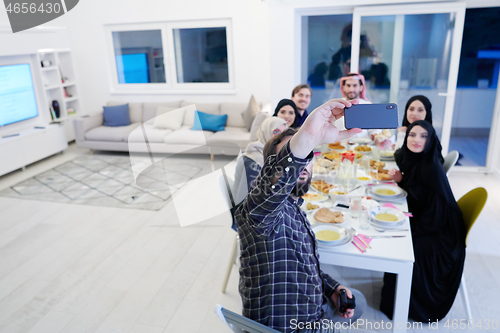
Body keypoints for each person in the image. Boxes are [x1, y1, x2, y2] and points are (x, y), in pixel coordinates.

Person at [235, 99, 367, 333]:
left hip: (313, 314)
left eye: (308, 156)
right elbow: (271, 187)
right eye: (298, 157)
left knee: (357, 300)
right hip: (289, 328)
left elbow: (305, 265)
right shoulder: (258, 213)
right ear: (272, 171)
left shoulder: (294, 206)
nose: (303, 164)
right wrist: (307, 135)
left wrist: (332, 288)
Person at [380, 120, 466, 322]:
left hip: (441, 236)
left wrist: (406, 228)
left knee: (400, 241)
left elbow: (434, 217)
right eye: (412, 135)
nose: (416, 140)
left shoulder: (432, 169)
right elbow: (417, 191)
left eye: (423, 136)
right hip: (429, 221)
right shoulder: (417, 160)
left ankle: (403, 306)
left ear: (430, 141)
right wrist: (402, 180)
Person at [233, 117, 288, 205]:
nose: (281, 138)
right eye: (276, 132)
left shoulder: (271, 155)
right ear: (265, 132)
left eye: (284, 134)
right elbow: (243, 202)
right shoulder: (253, 160)